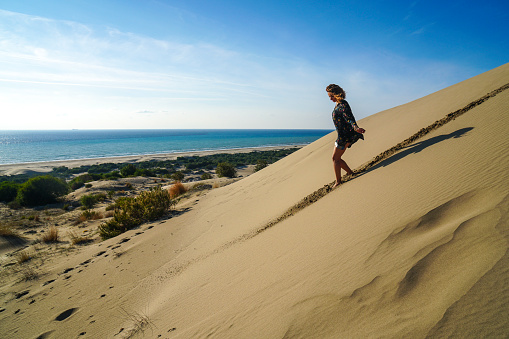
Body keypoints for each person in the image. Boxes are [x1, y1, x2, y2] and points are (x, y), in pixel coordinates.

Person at [326, 84, 365, 188]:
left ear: (336, 94)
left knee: (335, 158)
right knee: (336, 158)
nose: (330, 99)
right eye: (329, 96)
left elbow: (349, 118)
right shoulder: (338, 104)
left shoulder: (343, 105)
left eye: (331, 96)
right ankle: (350, 173)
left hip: (345, 136)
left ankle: (338, 182)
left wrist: (356, 128)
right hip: (342, 135)